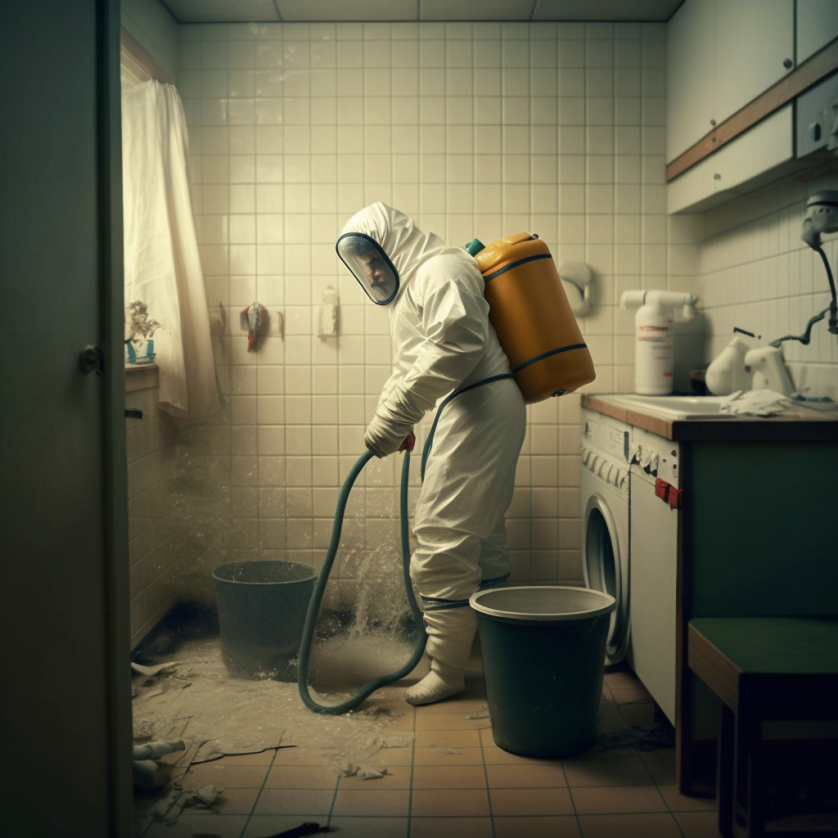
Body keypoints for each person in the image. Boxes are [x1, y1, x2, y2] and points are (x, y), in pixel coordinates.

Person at [336, 203, 527, 706]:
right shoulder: (420, 283)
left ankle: (448, 671)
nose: (373, 272)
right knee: (479, 538)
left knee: (442, 535)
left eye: (375, 258)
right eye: (364, 265)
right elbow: (411, 367)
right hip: (474, 406)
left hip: (481, 405)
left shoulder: (441, 269)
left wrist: (396, 416)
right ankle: (493, 651)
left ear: (394, 242)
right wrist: (390, 418)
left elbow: (458, 345)